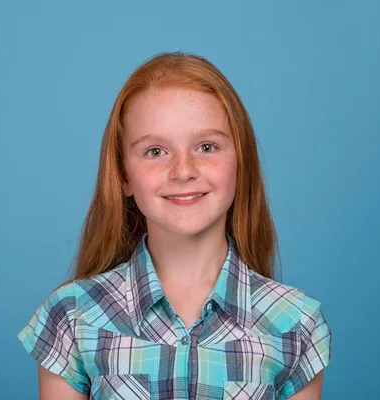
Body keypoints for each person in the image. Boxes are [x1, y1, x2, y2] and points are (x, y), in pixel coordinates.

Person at [17, 52, 332, 400]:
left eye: (206, 147)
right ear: (124, 175)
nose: (183, 171)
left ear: (240, 163)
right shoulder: (72, 318)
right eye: (155, 152)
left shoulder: (294, 323)